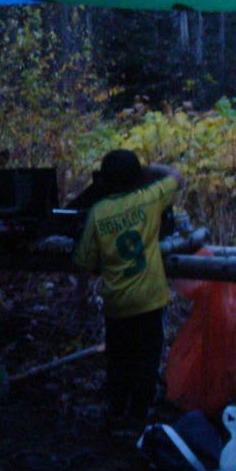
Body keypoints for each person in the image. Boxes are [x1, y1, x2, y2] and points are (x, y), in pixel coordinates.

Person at [73, 149, 184, 431]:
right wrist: (151, 169)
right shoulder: (149, 199)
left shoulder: (98, 212)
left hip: (117, 303)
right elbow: (177, 176)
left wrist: (81, 295)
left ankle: (116, 410)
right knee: (147, 359)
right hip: (149, 300)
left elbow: (84, 261)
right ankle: (139, 414)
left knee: (118, 359)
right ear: (137, 177)